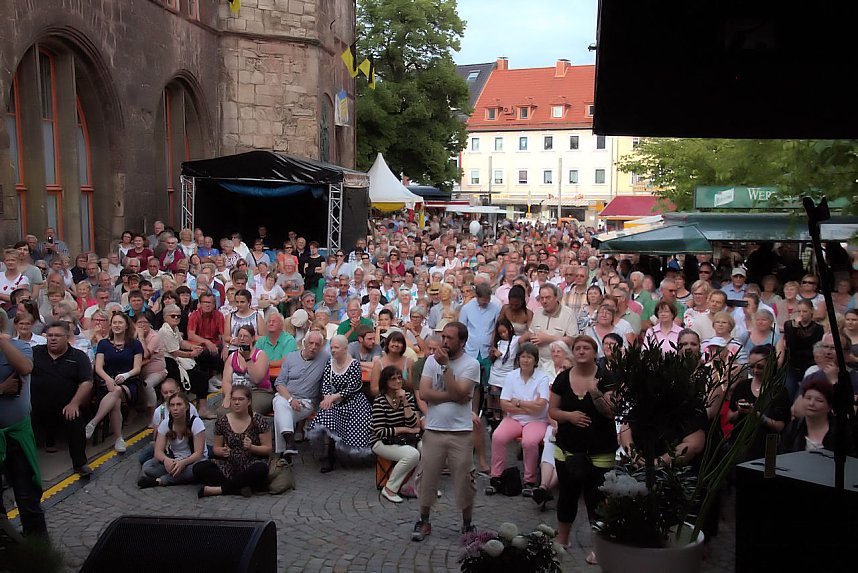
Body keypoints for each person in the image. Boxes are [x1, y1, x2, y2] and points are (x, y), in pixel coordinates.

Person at [549, 335, 616, 562]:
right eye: (577, 348)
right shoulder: (562, 378)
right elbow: (553, 411)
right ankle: (563, 538)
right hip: (567, 448)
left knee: (596, 499)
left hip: (599, 449)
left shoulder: (606, 377)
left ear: (594, 352)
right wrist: (570, 416)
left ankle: (600, 546)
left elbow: (610, 412)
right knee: (567, 495)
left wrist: (594, 391)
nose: (580, 351)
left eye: (586, 348)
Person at [412, 322, 481, 542]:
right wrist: (455, 396)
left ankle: (467, 524)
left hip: (460, 431)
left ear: (462, 341)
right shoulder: (431, 361)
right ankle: (424, 520)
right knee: (427, 477)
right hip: (434, 429)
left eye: (450, 338)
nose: (445, 342)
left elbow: (461, 390)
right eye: (443, 337)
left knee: (464, 480)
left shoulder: (471, 364)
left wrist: (445, 369)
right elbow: (424, 393)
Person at [487, 343, 550, 496]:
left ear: (535, 360)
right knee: (498, 436)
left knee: (529, 442)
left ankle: (529, 479)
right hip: (514, 418)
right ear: (518, 359)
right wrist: (529, 405)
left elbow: (541, 407)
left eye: (529, 357)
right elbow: (504, 404)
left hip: (536, 420)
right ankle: (496, 477)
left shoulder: (543, 377)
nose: (526, 360)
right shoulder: (511, 376)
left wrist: (518, 402)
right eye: (523, 356)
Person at [308, 335, 372, 472]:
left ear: (345, 349)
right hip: (336, 401)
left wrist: (333, 397)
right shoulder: (330, 363)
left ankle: (346, 452)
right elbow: (325, 384)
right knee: (327, 414)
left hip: (354, 402)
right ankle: (328, 455)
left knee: (359, 422)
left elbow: (353, 387)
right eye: (331, 347)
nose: (333, 350)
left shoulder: (354, 364)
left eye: (336, 347)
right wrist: (326, 398)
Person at [194, 385, 273, 497]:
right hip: (229, 464)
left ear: (249, 401)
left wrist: (252, 447)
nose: (236, 402)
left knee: (261, 469)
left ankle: (220, 490)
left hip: (251, 463)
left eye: (241, 399)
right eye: (234, 399)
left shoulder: (259, 420)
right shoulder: (222, 422)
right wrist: (221, 451)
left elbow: (268, 449)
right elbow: (216, 448)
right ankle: (238, 488)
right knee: (199, 468)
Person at [87, 311, 143, 453]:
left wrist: (125, 375)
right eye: (114, 323)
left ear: (126, 326)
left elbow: (137, 368)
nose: (117, 325)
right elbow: (98, 367)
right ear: (111, 326)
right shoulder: (104, 344)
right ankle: (119, 439)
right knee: (115, 399)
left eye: (120, 323)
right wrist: (108, 379)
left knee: (118, 391)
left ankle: (94, 422)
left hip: (128, 381)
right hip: (107, 381)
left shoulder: (135, 344)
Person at [272, 331, 329, 460]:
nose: (313, 347)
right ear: (304, 343)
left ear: (321, 346)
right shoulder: (291, 357)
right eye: (311, 343)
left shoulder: (325, 358)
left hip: (306, 402)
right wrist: (290, 399)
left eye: (317, 344)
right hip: (287, 398)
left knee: (280, 411)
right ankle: (288, 447)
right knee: (280, 404)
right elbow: (279, 383)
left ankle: (285, 449)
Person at [728, 345, 790, 461]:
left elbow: (780, 426)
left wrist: (758, 416)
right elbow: (729, 417)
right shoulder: (743, 386)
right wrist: (739, 411)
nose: (755, 370)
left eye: (760, 367)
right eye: (752, 366)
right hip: (740, 445)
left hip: (766, 448)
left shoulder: (778, 391)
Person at [371, 365, 421, 503]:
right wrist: (404, 430)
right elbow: (380, 431)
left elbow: (411, 423)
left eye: (399, 378)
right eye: (393, 379)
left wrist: (404, 401)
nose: (398, 381)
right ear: (385, 382)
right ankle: (390, 488)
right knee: (412, 454)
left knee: (426, 448)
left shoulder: (408, 396)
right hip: (381, 441)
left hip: (402, 439)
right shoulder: (380, 401)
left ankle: (414, 485)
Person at [138, 392, 207, 488]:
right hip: (174, 459)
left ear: (186, 407)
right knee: (147, 467)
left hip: (193, 461)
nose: (175, 408)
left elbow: (198, 453)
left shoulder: (196, 422)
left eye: (179, 405)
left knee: (198, 469)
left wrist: (183, 463)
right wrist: (166, 460)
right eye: (172, 405)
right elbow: (158, 452)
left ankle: (161, 481)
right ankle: (177, 476)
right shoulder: (166, 423)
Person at [524, 283, 578, 379]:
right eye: (541, 298)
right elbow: (531, 333)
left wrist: (548, 338)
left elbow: (572, 340)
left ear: (556, 297)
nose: (544, 301)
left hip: (559, 366)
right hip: (539, 364)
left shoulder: (568, 314)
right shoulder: (537, 312)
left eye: (548, 297)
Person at [780, 376, 843, 453]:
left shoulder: (841, 430)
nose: (811, 403)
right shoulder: (793, 427)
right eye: (808, 398)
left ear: (829, 406)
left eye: (819, 400)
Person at [221, 324, 271, 414]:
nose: (242, 338)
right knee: (223, 412)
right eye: (240, 336)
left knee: (246, 411)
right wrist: (228, 396)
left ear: (252, 338)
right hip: (237, 393)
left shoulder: (261, 355)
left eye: (246, 336)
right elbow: (226, 381)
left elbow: (257, 379)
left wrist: (247, 359)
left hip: (258, 391)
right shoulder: (232, 357)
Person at [783, 300, 824, 400]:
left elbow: (813, 349)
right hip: (792, 364)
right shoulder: (789, 326)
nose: (801, 314)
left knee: (805, 392)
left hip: (809, 363)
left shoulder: (818, 329)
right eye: (799, 311)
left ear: (811, 311)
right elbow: (791, 347)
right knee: (788, 389)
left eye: (805, 311)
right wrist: (795, 329)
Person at [132, 313, 167, 421]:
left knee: (147, 384)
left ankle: (154, 417)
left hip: (157, 371)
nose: (142, 325)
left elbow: (146, 354)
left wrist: (141, 337)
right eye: (139, 323)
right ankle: (132, 413)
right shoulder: (132, 335)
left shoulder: (154, 336)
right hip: (138, 370)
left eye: (145, 322)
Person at [486, 317, 519, 425]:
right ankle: (496, 420)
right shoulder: (498, 342)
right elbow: (491, 359)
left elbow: (527, 336)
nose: (503, 335)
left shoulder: (515, 340)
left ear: (510, 328)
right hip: (496, 372)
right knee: (495, 397)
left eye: (505, 331)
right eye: (500, 333)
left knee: (505, 398)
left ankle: (506, 421)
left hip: (508, 373)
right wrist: (494, 353)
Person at [255, 312, 297, 383]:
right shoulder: (261, 341)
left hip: (284, 379)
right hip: (263, 379)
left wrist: (265, 364)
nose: (271, 323)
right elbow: (254, 359)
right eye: (269, 322)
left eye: (274, 322)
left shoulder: (289, 340)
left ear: (281, 325)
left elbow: (285, 361)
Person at [370, 330, 413, 397]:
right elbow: (373, 390)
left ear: (403, 346)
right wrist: (390, 391)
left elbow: (412, 387)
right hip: (384, 400)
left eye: (399, 342)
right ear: (388, 344)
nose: (396, 344)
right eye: (393, 342)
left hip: (405, 397)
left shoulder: (409, 362)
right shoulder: (378, 363)